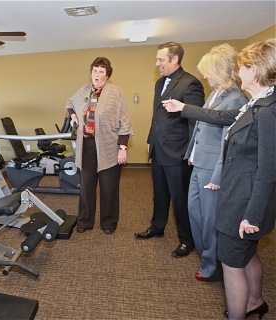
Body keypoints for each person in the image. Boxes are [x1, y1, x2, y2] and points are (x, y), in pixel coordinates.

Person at [163, 38, 275, 320]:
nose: (239, 73)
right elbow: (225, 126)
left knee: (232, 261)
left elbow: (267, 169)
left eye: (243, 67)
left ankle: (242, 308)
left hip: (243, 196)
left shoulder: (266, 110)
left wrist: (252, 215)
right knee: (246, 254)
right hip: (236, 188)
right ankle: (256, 302)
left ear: (255, 70)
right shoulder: (257, 103)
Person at [134, 41, 205, 259]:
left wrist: (192, 151)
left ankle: (187, 240)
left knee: (181, 198)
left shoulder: (191, 83)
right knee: (160, 194)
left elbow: (196, 120)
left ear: (175, 59)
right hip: (158, 148)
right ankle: (157, 227)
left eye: (161, 60)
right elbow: (157, 116)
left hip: (178, 151)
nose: (157, 64)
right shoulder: (159, 83)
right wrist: (149, 138)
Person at [185, 44, 248, 282]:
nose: (206, 76)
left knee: (210, 221)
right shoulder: (216, 93)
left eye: (208, 71)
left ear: (220, 69)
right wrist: (192, 153)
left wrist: (217, 176)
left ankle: (213, 268)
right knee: (196, 216)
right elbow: (203, 126)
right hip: (199, 162)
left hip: (213, 169)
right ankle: (207, 260)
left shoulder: (237, 99)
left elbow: (228, 141)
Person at [65, 57, 133, 235]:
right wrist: (73, 115)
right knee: (86, 186)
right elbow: (70, 103)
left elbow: (124, 121)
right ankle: (85, 221)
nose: (97, 74)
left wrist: (122, 148)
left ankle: (108, 222)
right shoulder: (84, 90)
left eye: (101, 71)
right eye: (94, 70)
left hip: (108, 147)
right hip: (86, 147)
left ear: (107, 75)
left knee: (108, 187)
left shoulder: (115, 93)